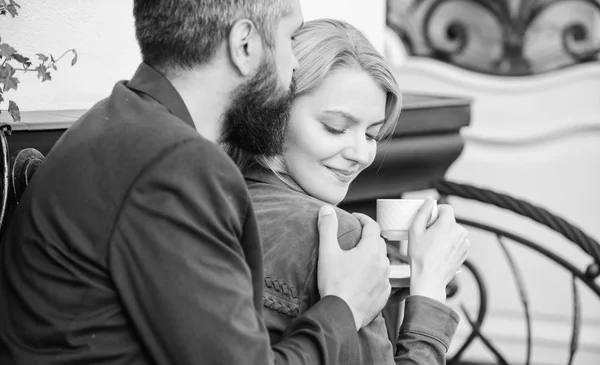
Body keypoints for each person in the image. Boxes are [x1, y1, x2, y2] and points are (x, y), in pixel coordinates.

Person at [0, 1, 393, 365]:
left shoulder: (118, 119)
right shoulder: (173, 166)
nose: (293, 67)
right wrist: (345, 306)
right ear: (244, 45)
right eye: (290, 40)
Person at [224, 19, 470, 365]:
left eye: (371, 135)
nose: (360, 154)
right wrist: (430, 289)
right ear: (272, 114)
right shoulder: (334, 232)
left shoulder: (213, 196)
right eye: (336, 128)